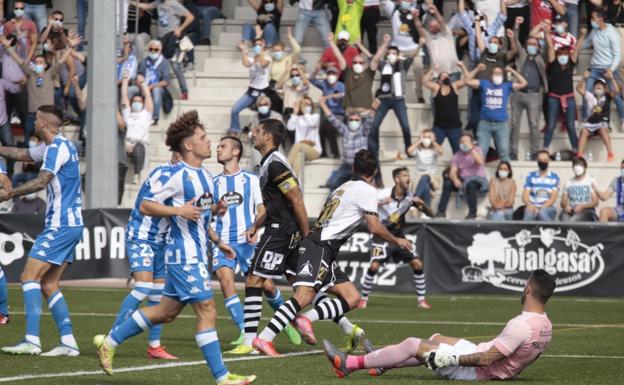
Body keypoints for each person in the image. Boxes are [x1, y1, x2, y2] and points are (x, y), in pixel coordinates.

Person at [93, 111, 257, 385]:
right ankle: (222, 377)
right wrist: (176, 210)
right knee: (207, 309)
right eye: (204, 138)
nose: (209, 142)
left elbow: (200, 213)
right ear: (189, 145)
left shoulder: (204, 176)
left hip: (196, 255)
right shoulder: (173, 174)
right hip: (183, 257)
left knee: (164, 312)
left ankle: (109, 342)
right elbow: (144, 205)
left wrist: (217, 227)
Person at [252, 150, 414, 357]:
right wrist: (397, 239)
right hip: (320, 246)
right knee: (304, 296)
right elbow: (374, 227)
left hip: (322, 246)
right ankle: (264, 338)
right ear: (374, 172)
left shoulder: (342, 187)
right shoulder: (367, 190)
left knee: (352, 297)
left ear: (354, 168)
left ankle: (306, 318)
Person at [323, 269, 555, 381]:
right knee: (436, 338)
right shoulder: (546, 325)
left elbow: (487, 359)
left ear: (528, 289)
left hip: (476, 369)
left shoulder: (521, 325)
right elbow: (525, 359)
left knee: (414, 344)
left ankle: (349, 364)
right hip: (484, 359)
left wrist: (452, 359)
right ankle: (385, 361)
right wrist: (510, 372)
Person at [0, 105, 83, 356]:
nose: (33, 123)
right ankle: (68, 342)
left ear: (44, 124)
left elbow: (42, 180)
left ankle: (32, 340)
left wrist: (10, 193)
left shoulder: (57, 148)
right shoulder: (54, 147)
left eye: (36, 119)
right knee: (49, 284)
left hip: (61, 224)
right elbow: (24, 154)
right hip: (70, 224)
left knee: (28, 276)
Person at [213, 136, 301, 348]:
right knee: (226, 283)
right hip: (222, 241)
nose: (218, 150)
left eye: (222, 146)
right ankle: (245, 333)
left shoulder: (251, 180)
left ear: (236, 152)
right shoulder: (212, 182)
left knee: (267, 286)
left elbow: (262, 210)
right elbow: (210, 211)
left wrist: (254, 227)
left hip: (246, 241)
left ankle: (286, 322)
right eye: (217, 147)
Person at [234, 119, 310, 355]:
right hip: (284, 229)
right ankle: (350, 328)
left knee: (254, 279)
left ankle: (250, 342)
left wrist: (307, 237)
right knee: (305, 287)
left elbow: (296, 198)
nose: (252, 134)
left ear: (268, 137)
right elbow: (274, 203)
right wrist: (256, 225)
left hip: (282, 231)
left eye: (257, 131)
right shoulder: (269, 163)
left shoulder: (275, 165)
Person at [109, 152, 182, 361]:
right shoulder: (164, 173)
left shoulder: (189, 175)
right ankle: (110, 338)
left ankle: (154, 346)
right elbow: (146, 205)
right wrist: (179, 210)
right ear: (181, 151)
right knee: (143, 287)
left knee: (159, 294)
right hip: (141, 236)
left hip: (162, 241)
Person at [359, 167, 430, 309]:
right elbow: (364, 207)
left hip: (398, 236)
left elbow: (430, 213)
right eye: (404, 175)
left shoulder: (410, 197)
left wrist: (422, 205)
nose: (408, 178)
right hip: (382, 236)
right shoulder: (383, 194)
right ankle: (363, 299)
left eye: (408, 175)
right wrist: (383, 202)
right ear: (397, 179)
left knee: (417, 264)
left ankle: (421, 300)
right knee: (374, 266)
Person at [0, 33, 75, 147]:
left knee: (50, 143)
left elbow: (61, 61)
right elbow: (19, 60)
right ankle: (29, 165)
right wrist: (8, 48)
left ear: (45, 65)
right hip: (32, 116)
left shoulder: (50, 74)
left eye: (41, 63)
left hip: (48, 115)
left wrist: (70, 47)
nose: (38, 64)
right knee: (29, 144)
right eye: (36, 63)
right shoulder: (30, 74)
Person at [464, 64, 527, 162]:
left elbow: (524, 83)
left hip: (501, 124)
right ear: (491, 75)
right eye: (495, 73)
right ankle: (479, 176)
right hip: (485, 124)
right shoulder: (484, 83)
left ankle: (508, 175)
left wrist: (512, 70)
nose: (497, 75)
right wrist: (477, 69)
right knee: (480, 153)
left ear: (503, 75)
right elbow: (467, 81)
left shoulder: (507, 85)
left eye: (500, 73)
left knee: (504, 152)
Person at [133, 0, 194, 101]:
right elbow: (148, 6)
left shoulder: (174, 4)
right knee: (157, 63)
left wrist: (179, 29)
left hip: (172, 39)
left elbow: (190, 17)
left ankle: (184, 91)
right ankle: (158, 91)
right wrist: (133, 3)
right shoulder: (158, 2)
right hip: (161, 39)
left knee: (175, 65)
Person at [369, 35, 414, 162]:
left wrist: (420, 45)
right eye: (389, 53)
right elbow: (373, 59)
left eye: (394, 53)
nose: (391, 55)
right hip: (383, 99)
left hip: (398, 100)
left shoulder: (403, 65)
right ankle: (374, 150)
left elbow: (412, 55)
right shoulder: (383, 65)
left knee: (405, 126)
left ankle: (408, 149)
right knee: (374, 126)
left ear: (398, 55)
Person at [579, 9, 624, 131]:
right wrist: (575, 45)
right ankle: (585, 119)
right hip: (594, 69)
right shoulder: (594, 31)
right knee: (587, 92)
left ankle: (623, 119)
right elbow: (586, 44)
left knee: (615, 95)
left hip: (608, 69)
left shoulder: (611, 33)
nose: (591, 21)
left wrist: (611, 69)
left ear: (601, 18)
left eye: (593, 18)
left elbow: (617, 54)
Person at [319, 97, 372, 190]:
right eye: (351, 120)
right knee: (334, 183)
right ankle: (331, 204)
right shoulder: (345, 131)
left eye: (356, 120)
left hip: (360, 168)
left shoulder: (363, 131)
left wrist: (374, 108)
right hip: (346, 167)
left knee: (363, 188)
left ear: (360, 121)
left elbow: (370, 120)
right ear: (347, 121)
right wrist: (323, 105)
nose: (353, 122)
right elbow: (332, 119)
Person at [510, 34, 548, 161]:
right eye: (529, 44)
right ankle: (513, 152)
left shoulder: (541, 57)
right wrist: (516, 29)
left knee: (534, 124)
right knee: (515, 124)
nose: (532, 46)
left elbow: (548, 48)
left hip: (534, 94)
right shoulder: (522, 55)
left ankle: (534, 152)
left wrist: (546, 33)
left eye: (534, 44)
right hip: (518, 93)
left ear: (538, 47)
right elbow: (516, 40)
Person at [436, 132, 488, 219]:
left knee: (471, 185)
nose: (463, 144)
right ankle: (441, 211)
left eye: (466, 142)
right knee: (448, 184)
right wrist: (455, 179)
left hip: (478, 180)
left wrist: (471, 149)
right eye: (461, 142)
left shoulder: (477, 150)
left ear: (471, 143)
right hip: (463, 180)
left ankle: (472, 213)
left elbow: (480, 162)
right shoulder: (457, 155)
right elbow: (452, 172)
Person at [543, 28, 579, 153]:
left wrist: (582, 36)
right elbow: (551, 48)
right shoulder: (553, 64)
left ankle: (576, 149)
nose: (563, 56)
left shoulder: (571, 64)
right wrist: (548, 36)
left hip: (569, 98)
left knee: (570, 125)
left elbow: (577, 48)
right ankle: (545, 148)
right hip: (554, 98)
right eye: (561, 54)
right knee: (551, 124)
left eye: (565, 54)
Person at [228, 38, 272, 136]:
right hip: (251, 91)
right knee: (235, 110)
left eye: (259, 45)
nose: (257, 47)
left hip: (263, 93)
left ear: (263, 46)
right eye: (256, 45)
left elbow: (263, 64)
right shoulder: (252, 59)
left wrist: (261, 52)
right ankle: (236, 130)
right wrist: (244, 49)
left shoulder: (267, 58)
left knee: (264, 114)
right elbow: (245, 64)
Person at [424, 63, 471, 154]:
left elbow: (467, 80)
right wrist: (432, 69)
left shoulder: (454, 86)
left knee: (459, 154)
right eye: (442, 76)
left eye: (447, 76)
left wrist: (463, 67)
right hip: (439, 128)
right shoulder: (436, 87)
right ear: (438, 80)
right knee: (429, 152)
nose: (445, 77)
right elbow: (424, 81)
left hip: (455, 128)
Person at [121, 72, 154, 184]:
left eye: (139, 102)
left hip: (139, 144)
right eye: (134, 101)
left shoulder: (146, 114)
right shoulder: (127, 113)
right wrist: (125, 79)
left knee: (139, 148)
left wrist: (143, 83)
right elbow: (124, 95)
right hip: (125, 144)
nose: (137, 103)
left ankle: (137, 174)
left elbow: (148, 96)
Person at [414, 4, 460, 82]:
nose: (434, 27)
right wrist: (415, 18)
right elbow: (419, 27)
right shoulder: (429, 39)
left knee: (453, 94)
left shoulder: (447, 34)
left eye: (436, 25)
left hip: (453, 72)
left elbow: (441, 21)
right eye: (431, 26)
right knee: (435, 94)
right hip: (436, 74)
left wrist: (436, 12)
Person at [576, 71, 616, 162]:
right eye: (596, 85)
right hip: (591, 123)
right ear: (593, 88)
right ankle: (579, 155)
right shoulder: (590, 96)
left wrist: (612, 78)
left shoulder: (607, 97)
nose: (598, 86)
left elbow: (616, 91)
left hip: (602, 123)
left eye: (601, 85)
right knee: (584, 131)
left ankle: (610, 153)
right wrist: (584, 78)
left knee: (602, 129)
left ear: (605, 88)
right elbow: (578, 88)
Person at [310, 64, 344, 159]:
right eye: (329, 73)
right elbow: (311, 80)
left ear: (337, 75)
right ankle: (323, 152)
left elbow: (343, 95)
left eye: (333, 73)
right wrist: (316, 71)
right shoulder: (325, 84)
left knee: (330, 127)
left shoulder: (341, 85)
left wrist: (329, 96)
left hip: (337, 114)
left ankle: (336, 153)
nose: (331, 75)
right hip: (325, 114)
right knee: (321, 127)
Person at [136, 40, 171, 125]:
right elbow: (139, 76)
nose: (153, 51)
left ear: (160, 50)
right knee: (131, 90)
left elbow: (166, 81)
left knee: (157, 90)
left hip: (158, 88)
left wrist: (151, 87)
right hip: (144, 87)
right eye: (151, 49)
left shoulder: (164, 62)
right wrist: (141, 86)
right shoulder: (144, 62)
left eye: (156, 49)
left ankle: (154, 118)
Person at [287, 97, 322, 179]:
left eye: (309, 104)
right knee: (298, 155)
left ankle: (285, 168)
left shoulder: (315, 116)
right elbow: (290, 127)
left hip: (314, 151)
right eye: (305, 104)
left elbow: (311, 123)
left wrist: (304, 110)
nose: (307, 106)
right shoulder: (298, 118)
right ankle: (294, 181)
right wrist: (295, 113)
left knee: (298, 145)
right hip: (300, 151)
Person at [406, 129, 443, 208]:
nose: (426, 139)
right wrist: (419, 141)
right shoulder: (418, 150)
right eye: (424, 137)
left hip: (432, 179)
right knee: (426, 187)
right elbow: (409, 151)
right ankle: (426, 211)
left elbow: (441, 151)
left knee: (425, 176)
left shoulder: (434, 150)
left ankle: (416, 197)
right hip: (418, 179)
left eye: (429, 137)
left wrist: (433, 141)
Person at [522, 150, 560, 221]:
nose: (542, 162)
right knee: (528, 214)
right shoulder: (530, 176)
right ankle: (526, 231)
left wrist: (539, 209)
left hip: (548, 208)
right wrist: (531, 206)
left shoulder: (555, 177)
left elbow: (552, 199)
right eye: (540, 160)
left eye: (545, 160)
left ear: (549, 161)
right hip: (532, 206)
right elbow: (525, 197)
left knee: (541, 213)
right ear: (537, 161)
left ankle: (550, 230)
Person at [559, 157, 598, 221]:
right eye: (575, 165)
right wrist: (566, 207)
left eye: (580, 165)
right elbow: (563, 202)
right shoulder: (568, 182)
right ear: (572, 168)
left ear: (585, 168)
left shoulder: (590, 181)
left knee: (573, 220)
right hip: (572, 210)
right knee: (563, 218)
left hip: (587, 211)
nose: (577, 167)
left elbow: (595, 202)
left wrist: (583, 206)